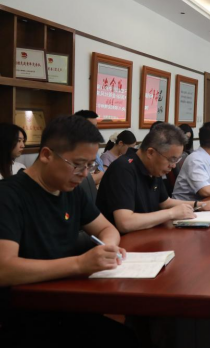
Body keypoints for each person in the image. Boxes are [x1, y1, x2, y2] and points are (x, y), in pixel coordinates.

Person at [0, 115, 138, 347]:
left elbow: (106, 227)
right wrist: (79, 264)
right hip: (27, 317)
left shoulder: (70, 191)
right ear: (46, 155)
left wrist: (108, 247)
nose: (84, 174)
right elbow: (4, 268)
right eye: (78, 164)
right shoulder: (9, 196)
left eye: (90, 165)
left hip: (69, 304)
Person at [95, 123, 210, 234]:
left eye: (177, 160)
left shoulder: (153, 167)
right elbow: (125, 222)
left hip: (147, 234)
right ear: (151, 152)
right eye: (171, 159)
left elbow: (165, 202)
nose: (173, 166)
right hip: (124, 244)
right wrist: (171, 213)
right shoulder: (123, 169)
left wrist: (200, 205)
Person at [74, 110, 105, 185]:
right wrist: (100, 174)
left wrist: (99, 174)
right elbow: (84, 181)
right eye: (91, 126)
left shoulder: (92, 146)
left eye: (96, 126)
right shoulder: (72, 147)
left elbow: (101, 170)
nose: (95, 130)